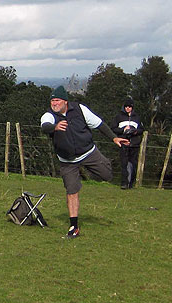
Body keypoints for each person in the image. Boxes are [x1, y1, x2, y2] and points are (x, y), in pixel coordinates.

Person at [40, 86, 129, 239]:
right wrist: (55, 127)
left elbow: (99, 124)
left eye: (57, 100)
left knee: (107, 175)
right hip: (67, 161)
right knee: (72, 191)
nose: (54, 103)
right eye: (52, 101)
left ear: (65, 101)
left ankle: (98, 171)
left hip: (88, 153)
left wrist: (114, 138)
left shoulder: (80, 109)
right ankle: (74, 226)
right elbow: (44, 126)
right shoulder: (49, 116)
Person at [110, 98, 144, 189]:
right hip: (123, 143)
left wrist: (135, 131)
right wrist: (123, 130)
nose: (127, 108)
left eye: (129, 107)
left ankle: (131, 183)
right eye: (126, 106)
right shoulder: (118, 117)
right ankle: (124, 183)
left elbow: (141, 129)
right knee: (124, 164)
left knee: (133, 164)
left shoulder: (137, 118)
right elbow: (113, 128)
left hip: (134, 144)